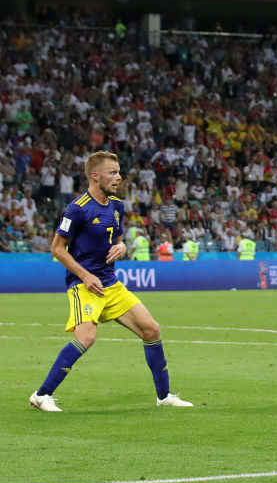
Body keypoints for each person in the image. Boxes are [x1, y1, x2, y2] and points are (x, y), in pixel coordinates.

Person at [29, 151, 192, 412]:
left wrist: (122, 247)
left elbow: (116, 240)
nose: (119, 177)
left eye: (118, 172)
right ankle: (42, 394)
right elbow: (57, 249)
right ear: (95, 176)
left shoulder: (116, 205)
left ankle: (165, 396)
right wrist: (84, 275)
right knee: (87, 337)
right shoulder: (77, 208)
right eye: (112, 172)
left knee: (151, 329)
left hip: (110, 284)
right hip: (84, 285)